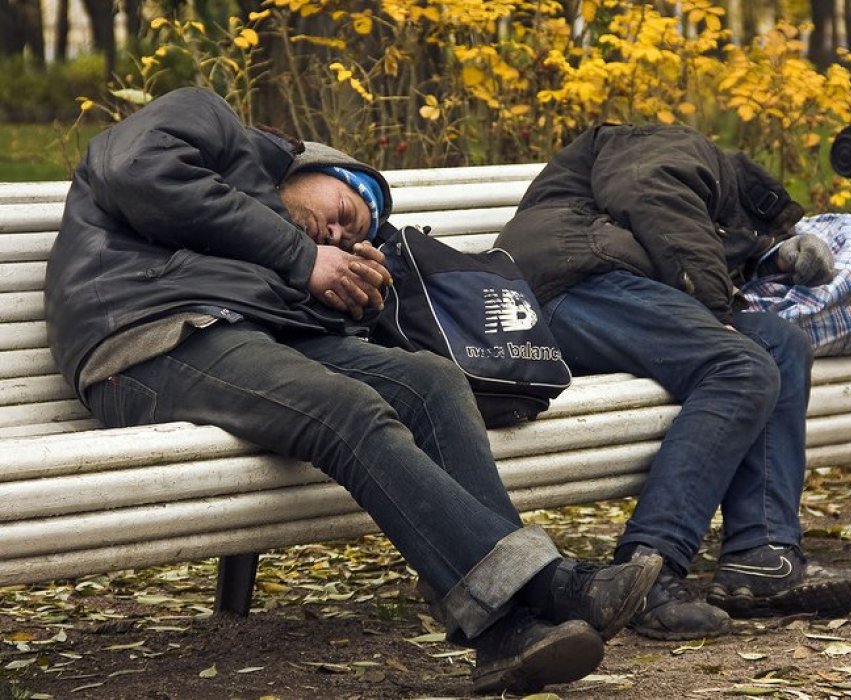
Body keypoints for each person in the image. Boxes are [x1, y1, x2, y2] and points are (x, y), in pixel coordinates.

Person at [44, 88, 662, 695]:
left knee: (430, 382)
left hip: (250, 339)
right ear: (309, 163)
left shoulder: (286, 256)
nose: (340, 229)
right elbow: (135, 171)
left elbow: (300, 314)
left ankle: (507, 634)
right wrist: (301, 255)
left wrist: (353, 292)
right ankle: (546, 585)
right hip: (147, 337)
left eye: (352, 231)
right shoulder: (207, 118)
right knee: (347, 406)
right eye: (346, 202)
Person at [496, 123, 851, 642]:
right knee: (741, 366)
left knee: (781, 345)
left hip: (612, 287)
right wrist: (714, 306)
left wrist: (733, 288)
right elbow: (651, 192)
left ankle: (762, 555)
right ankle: (648, 570)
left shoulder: (706, 207)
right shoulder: (682, 148)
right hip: (566, 281)